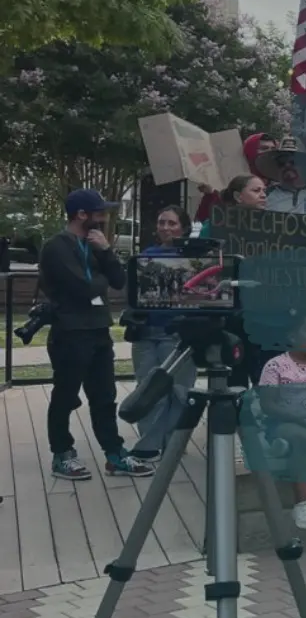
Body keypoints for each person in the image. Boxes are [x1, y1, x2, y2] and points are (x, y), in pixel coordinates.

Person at [40, 189, 153, 480]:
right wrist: (100, 278)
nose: (104, 218)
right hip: (70, 331)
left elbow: (118, 281)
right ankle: (62, 454)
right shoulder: (57, 247)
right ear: (81, 215)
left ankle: (115, 455)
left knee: (105, 396)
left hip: (99, 329)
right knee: (65, 395)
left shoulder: (95, 244)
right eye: (100, 213)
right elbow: (84, 288)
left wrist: (105, 251)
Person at [124, 206, 199, 463]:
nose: (165, 227)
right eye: (161, 222)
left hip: (177, 334)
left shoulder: (195, 257)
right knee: (147, 389)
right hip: (147, 332)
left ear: (184, 227)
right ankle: (149, 445)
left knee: (179, 391)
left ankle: (174, 444)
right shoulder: (146, 256)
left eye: (172, 223)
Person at [256, 316, 306, 530]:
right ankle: (303, 502)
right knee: (301, 437)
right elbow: (268, 405)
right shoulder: (276, 366)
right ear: (292, 337)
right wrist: (296, 418)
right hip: (282, 422)